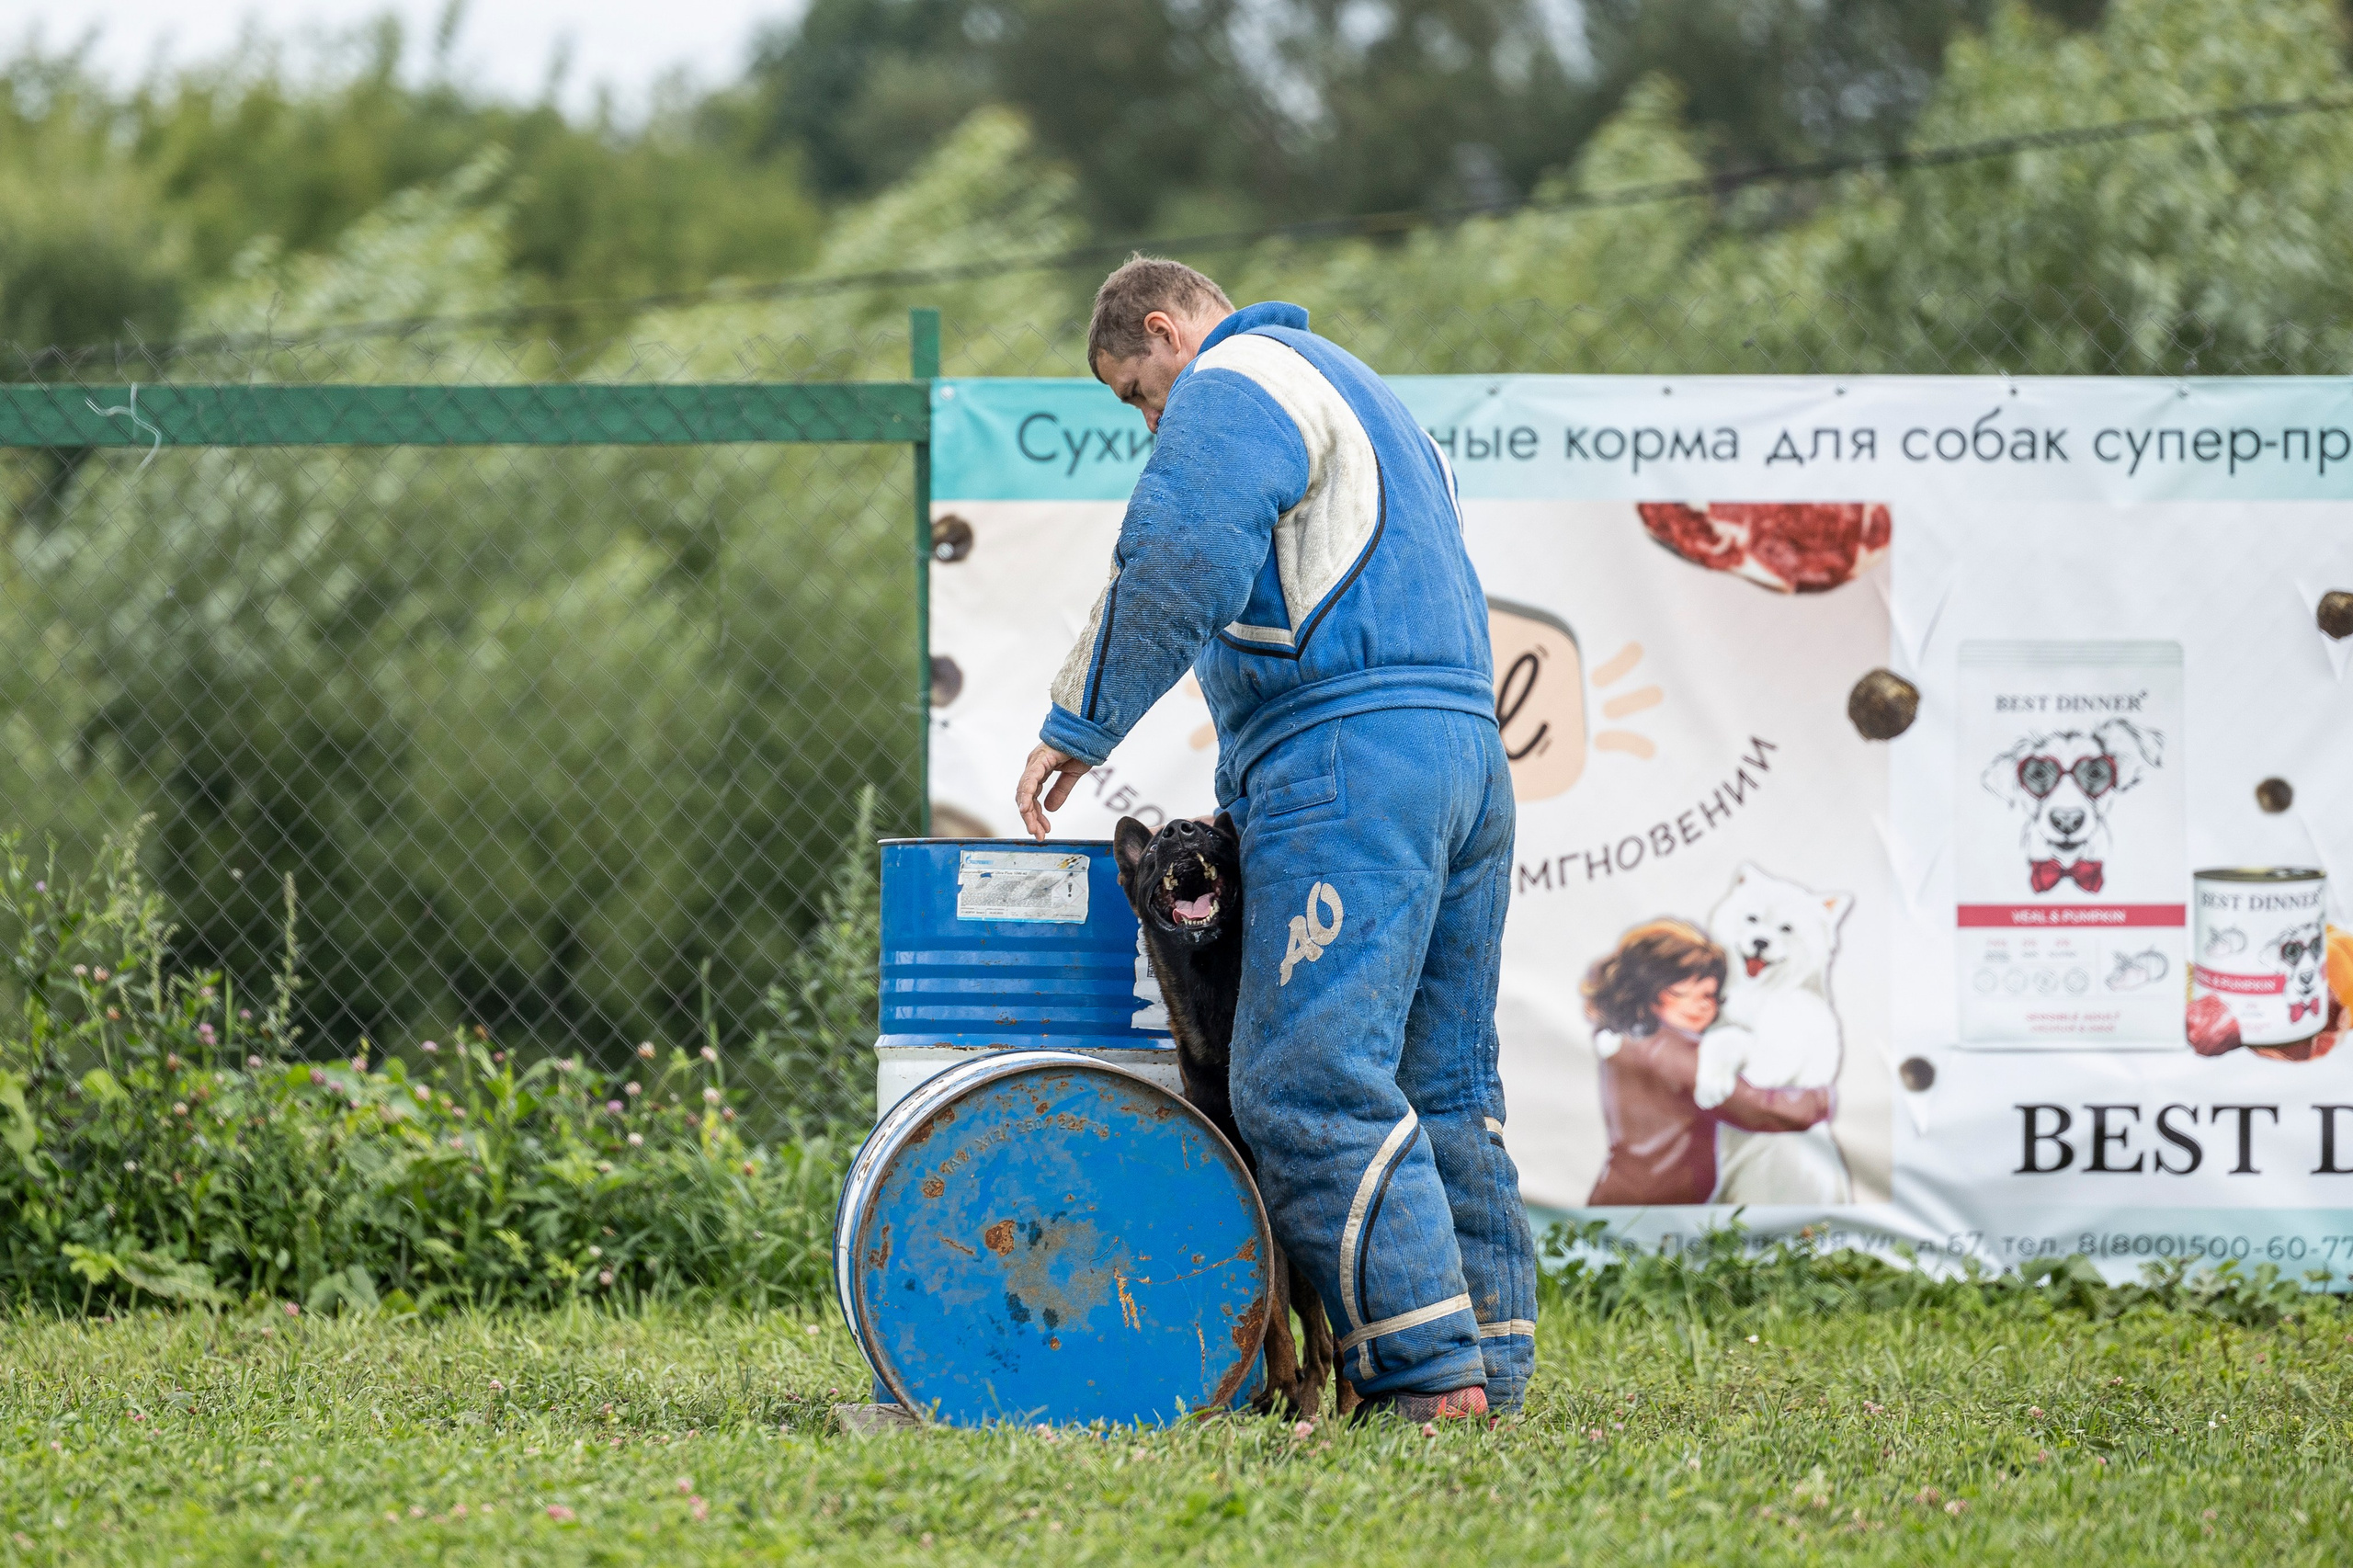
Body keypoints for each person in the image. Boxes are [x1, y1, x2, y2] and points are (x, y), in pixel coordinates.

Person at [1012, 256, 1536, 1423]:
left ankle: (1421, 1376)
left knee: (1303, 1079)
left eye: (1137, 392)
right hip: (1462, 756)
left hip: (1346, 761)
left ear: (1164, 330)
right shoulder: (1370, 397)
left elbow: (1180, 552)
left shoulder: (1238, 373)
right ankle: (1486, 1365)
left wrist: (1075, 722)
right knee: (1438, 1080)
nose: (1153, 419)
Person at [1580, 920, 1835, 1206]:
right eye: (1693, 993)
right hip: (1651, 1206)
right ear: (1651, 990)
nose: (1704, 1005)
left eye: (1712, 997)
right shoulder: (1676, 1053)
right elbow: (1755, 1109)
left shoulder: (1628, 1041)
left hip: (1625, 1194)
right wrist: (1820, 1099)